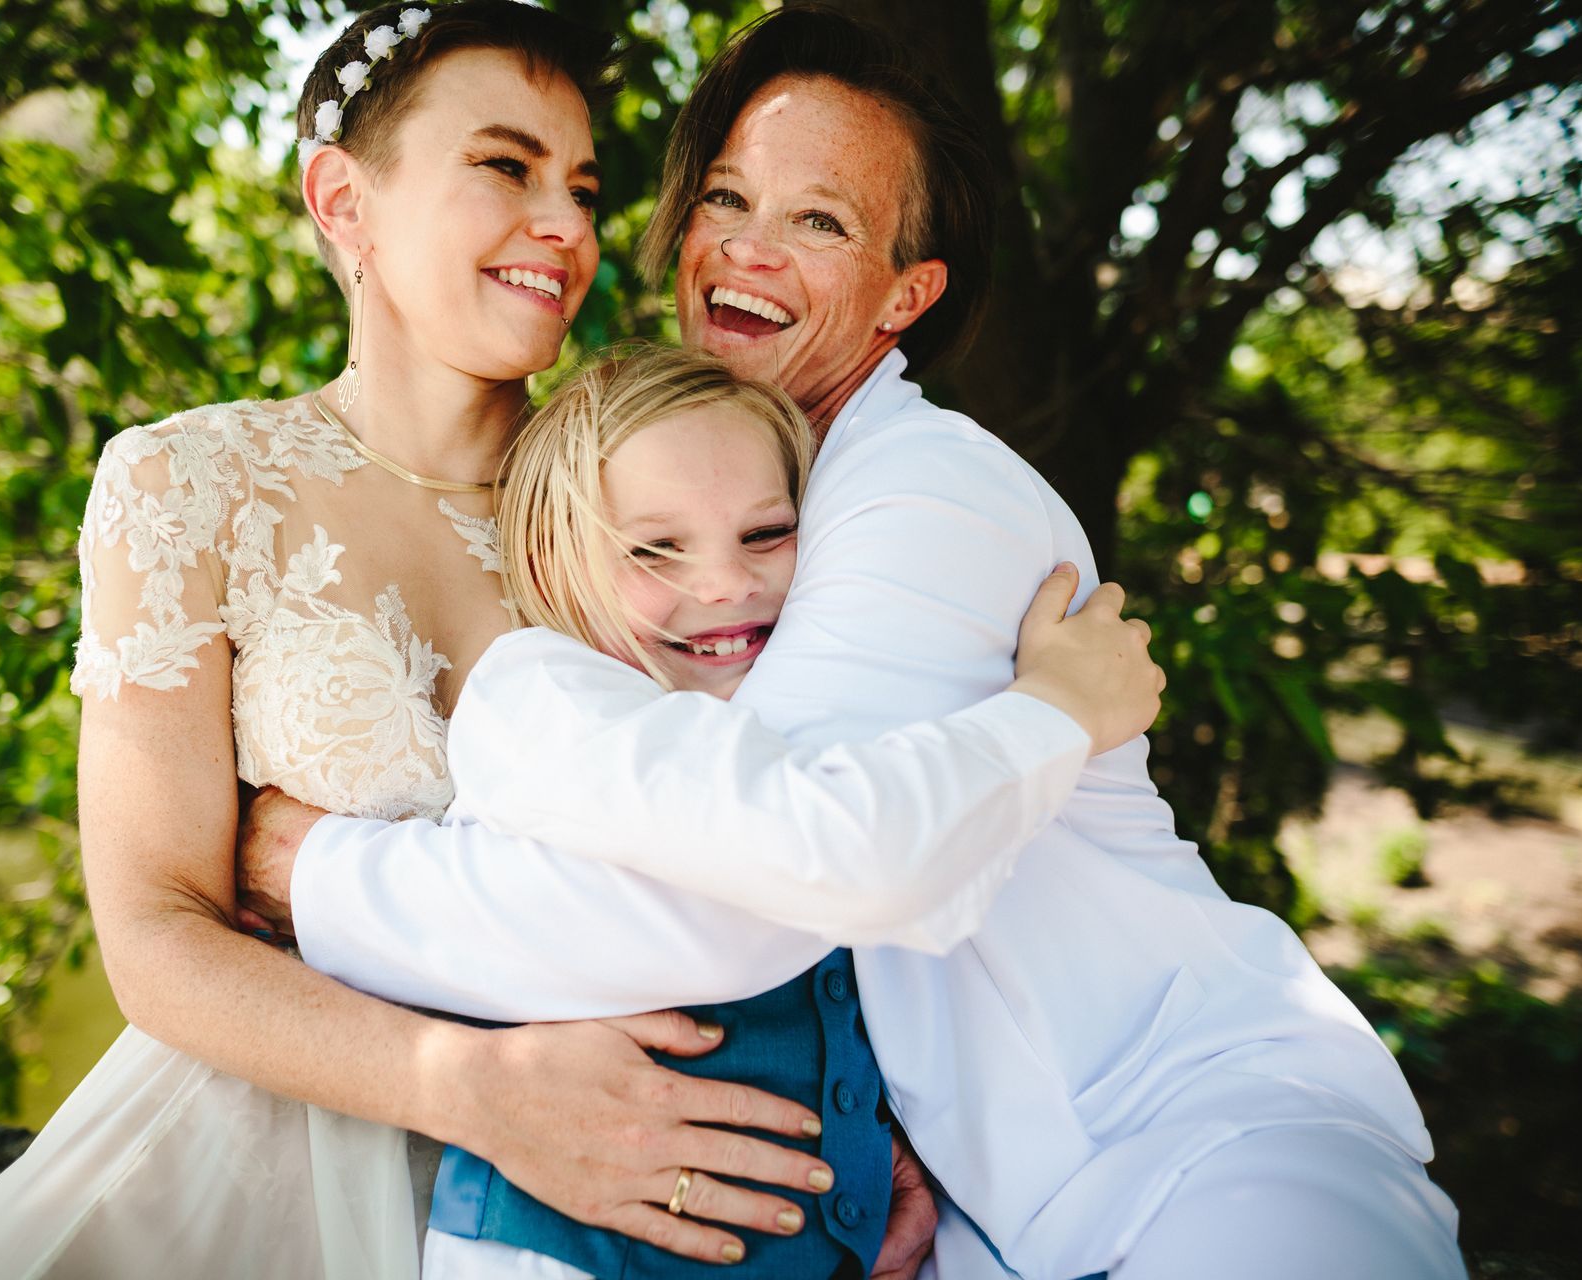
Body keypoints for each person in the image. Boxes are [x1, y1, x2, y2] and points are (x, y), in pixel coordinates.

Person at [0, 6, 1161, 1278]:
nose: (566, 225)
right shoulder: (190, 482)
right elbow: (154, 940)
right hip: (269, 1161)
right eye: (506, 166)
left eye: (585, 188)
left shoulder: (668, 486)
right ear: (343, 200)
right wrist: (466, 1085)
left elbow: (779, 827)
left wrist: (864, 1119)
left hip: (626, 1203)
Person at [243, 8, 1467, 1278]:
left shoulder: (920, 493)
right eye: (726, 197)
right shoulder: (751, 500)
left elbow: (770, 891)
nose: (747, 248)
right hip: (989, 1218)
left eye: (819, 221)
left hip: (1207, 1153)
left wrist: (318, 874)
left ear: (905, 294)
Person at [409, 343, 1161, 1278]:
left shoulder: (808, 709)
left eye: (767, 534)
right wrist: (1060, 711)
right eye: (655, 549)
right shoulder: (540, 694)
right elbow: (800, 843)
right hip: (570, 1250)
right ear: (546, 556)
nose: (726, 583)